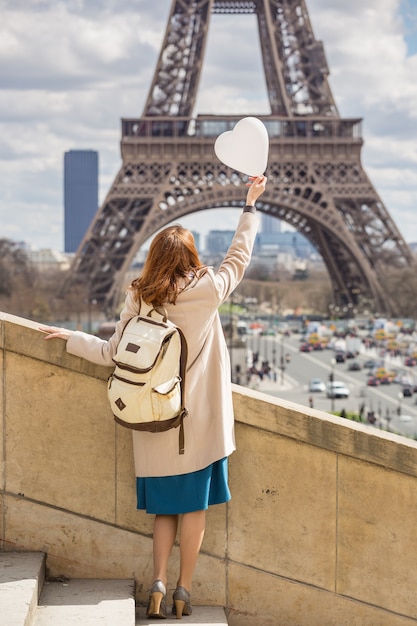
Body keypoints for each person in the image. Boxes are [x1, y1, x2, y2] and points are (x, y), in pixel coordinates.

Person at [40, 174, 267, 619]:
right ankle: (183, 590)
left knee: (165, 513)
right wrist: (249, 204)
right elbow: (238, 259)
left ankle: (158, 582)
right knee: (194, 511)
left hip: (153, 424)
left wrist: (69, 336)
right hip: (198, 427)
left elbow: (110, 353)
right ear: (191, 257)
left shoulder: (138, 296)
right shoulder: (206, 291)